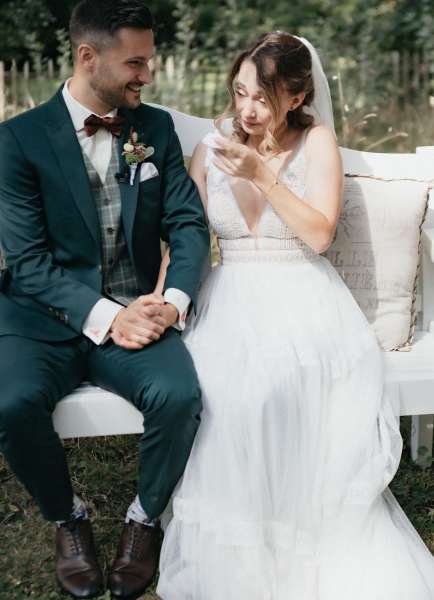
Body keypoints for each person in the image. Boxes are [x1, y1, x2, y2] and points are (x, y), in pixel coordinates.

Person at [156, 32, 434, 600]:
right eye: (240, 93)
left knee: (286, 380)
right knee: (225, 390)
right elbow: (184, 240)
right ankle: (244, 538)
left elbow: (320, 234)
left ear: (298, 96)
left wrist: (262, 175)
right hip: (229, 295)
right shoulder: (212, 146)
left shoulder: (317, 141)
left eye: (263, 98)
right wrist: (165, 300)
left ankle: (298, 524)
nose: (247, 110)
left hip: (303, 293)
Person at [0, 1, 209, 598]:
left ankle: (144, 520)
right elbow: (29, 264)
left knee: (178, 397)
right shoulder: (16, 141)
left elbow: (187, 224)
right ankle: (68, 517)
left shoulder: (154, 130)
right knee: (10, 404)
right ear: (88, 57)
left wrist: (171, 301)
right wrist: (111, 318)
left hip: (140, 310)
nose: (148, 75)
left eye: (150, 60)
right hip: (41, 318)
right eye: (135, 63)